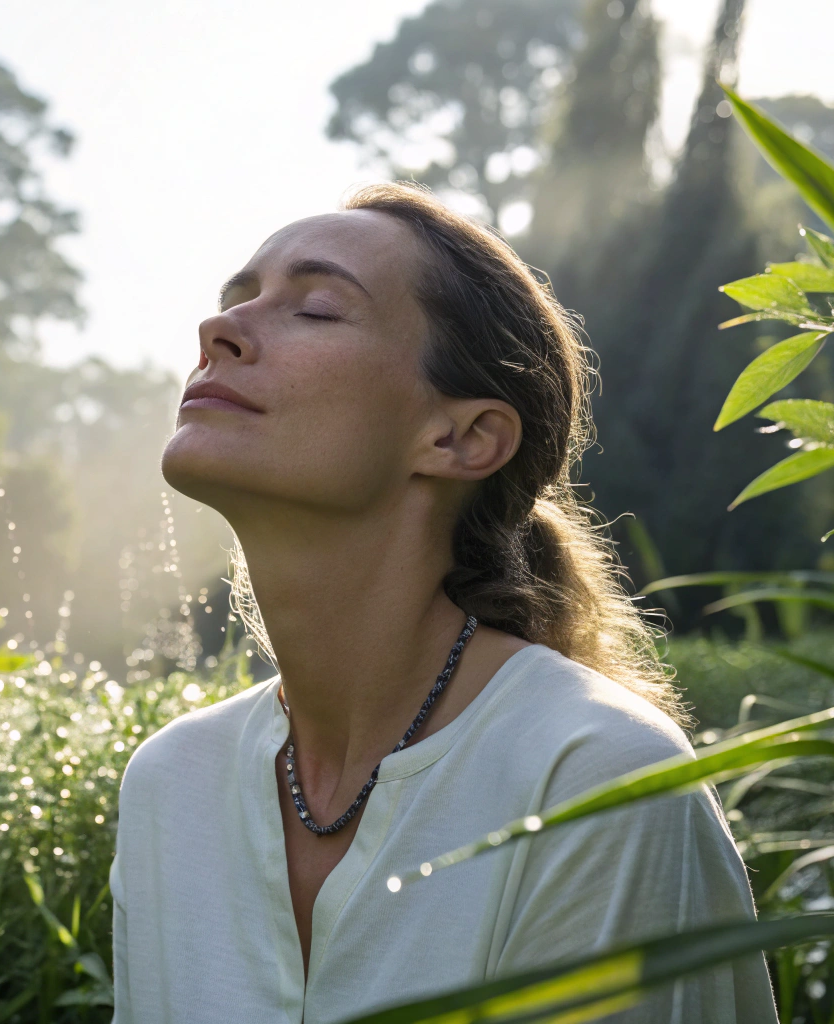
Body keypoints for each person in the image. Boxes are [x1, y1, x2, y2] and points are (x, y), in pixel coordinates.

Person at [109, 183, 775, 1023]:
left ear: (463, 438)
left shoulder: (593, 777)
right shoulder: (172, 783)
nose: (219, 332)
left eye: (315, 309)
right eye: (236, 302)